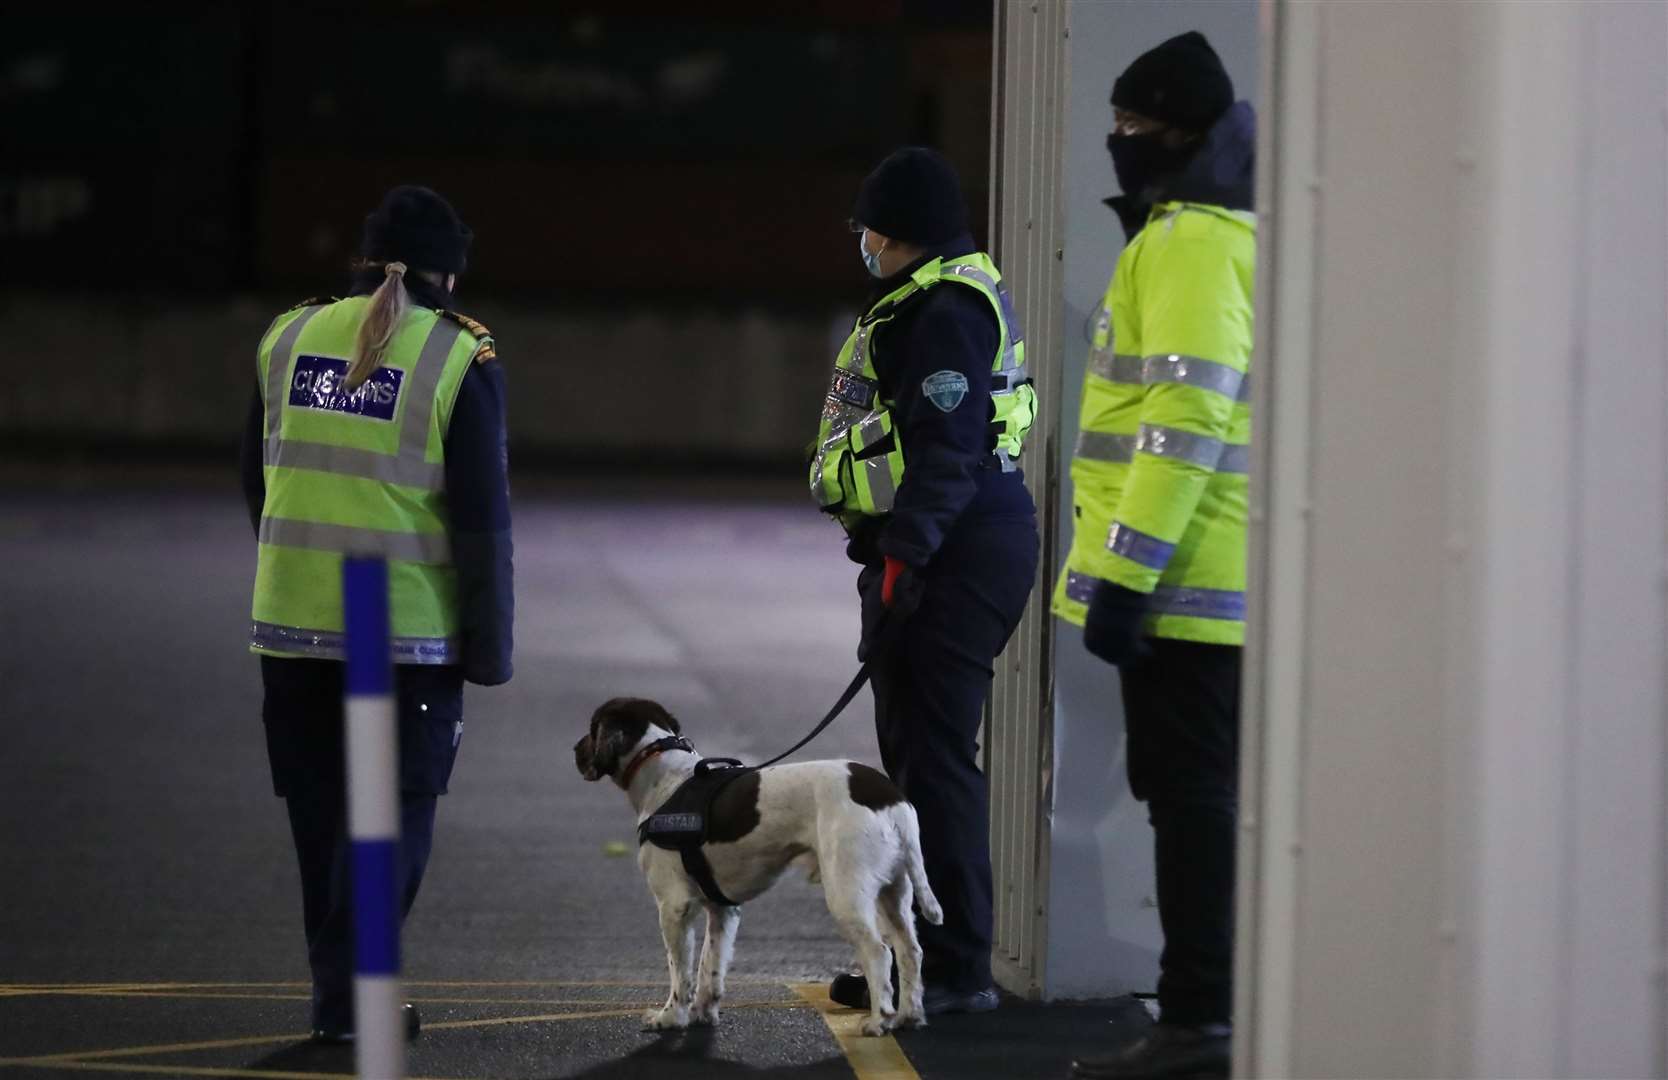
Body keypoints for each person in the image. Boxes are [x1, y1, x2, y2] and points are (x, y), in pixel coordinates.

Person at [238, 185, 513, 1043]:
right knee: (391, 831)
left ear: (361, 260)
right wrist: (490, 644)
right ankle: (355, 1003)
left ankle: (341, 1005)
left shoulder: (287, 335)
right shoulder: (458, 358)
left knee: (323, 830)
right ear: (451, 274)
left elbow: (259, 478)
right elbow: (481, 522)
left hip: (295, 620)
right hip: (398, 630)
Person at [1050, 32, 1255, 1080]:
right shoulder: (1224, 233)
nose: (1116, 144)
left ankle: (1197, 1017)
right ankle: (1205, 1008)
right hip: (1210, 583)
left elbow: (1183, 424)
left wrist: (1127, 576)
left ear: (1172, 133)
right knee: (1196, 803)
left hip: (1185, 590)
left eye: (1128, 128)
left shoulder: (1186, 242)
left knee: (1192, 807)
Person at [809, 147, 1041, 1015]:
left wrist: (907, 557)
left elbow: (947, 453)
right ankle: (915, 961)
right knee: (915, 762)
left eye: (866, 225)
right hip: (946, 545)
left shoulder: (946, 308)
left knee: (935, 767)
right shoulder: (931, 297)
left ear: (892, 228)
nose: (859, 240)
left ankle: (953, 971)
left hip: (954, 550)